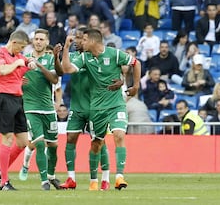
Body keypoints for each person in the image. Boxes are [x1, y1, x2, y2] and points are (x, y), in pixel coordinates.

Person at [61, 28, 141, 190]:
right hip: (96, 108)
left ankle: (119, 177)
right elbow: (67, 69)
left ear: (92, 41)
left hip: (116, 104)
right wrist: (66, 49)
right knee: (96, 144)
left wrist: (135, 86)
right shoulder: (85, 57)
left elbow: (135, 63)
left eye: (83, 40)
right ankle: (94, 181)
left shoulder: (114, 54)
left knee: (118, 135)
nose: (81, 43)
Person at [0, 30, 37, 191]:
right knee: (8, 138)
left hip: (18, 99)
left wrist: (30, 62)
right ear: (14, 42)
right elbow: (2, 70)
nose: (22, 51)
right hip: (4, 98)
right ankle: (4, 182)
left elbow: (28, 61)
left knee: (23, 142)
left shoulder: (19, 57)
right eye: (22, 47)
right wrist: (19, 64)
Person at [17, 29, 61, 190]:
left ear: (46, 41)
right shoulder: (23, 59)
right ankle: (44, 181)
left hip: (48, 108)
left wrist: (40, 65)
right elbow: (12, 78)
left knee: (54, 147)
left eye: (41, 39)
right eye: (36, 39)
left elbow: (55, 79)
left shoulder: (50, 59)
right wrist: (19, 82)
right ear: (32, 41)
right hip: (30, 107)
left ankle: (51, 176)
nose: (38, 42)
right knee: (39, 144)